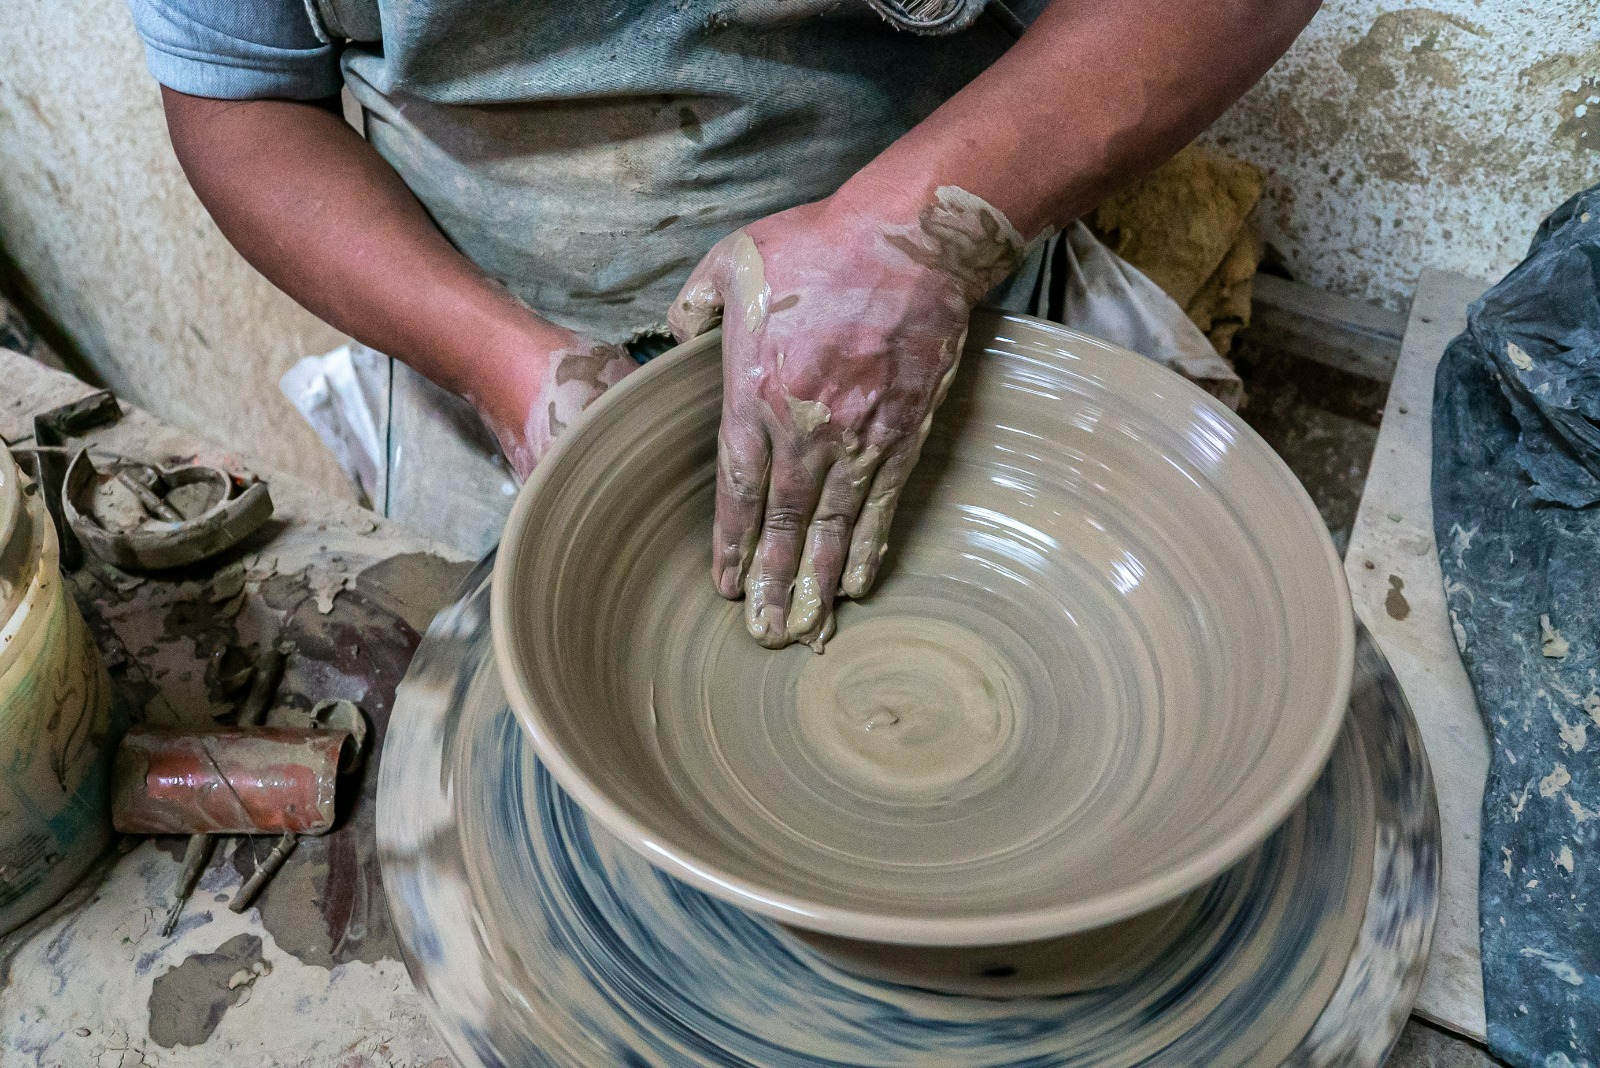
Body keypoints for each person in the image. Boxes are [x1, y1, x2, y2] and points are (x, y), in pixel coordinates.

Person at [129, 0, 1320, 649]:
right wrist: (497, 362)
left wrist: (913, 235)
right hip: (486, 331)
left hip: (943, 290)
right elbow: (241, 100)